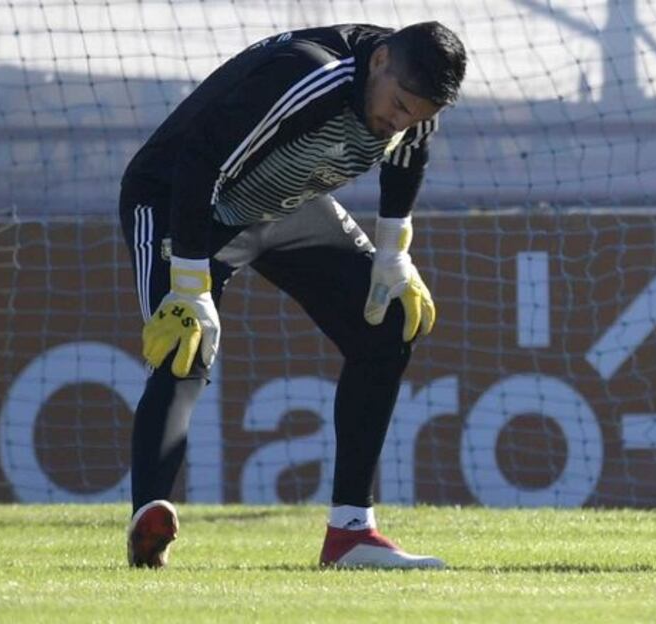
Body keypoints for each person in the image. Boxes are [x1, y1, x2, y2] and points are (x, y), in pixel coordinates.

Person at [119, 21, 466, 569]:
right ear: (378, 63)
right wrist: (189, 282)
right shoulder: (310, 74)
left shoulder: (414, 100)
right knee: (184, 344)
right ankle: (149, 523)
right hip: (179, 200)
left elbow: (407, 158)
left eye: (415, 115)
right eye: (398, 105)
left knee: (389, 320)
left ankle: (351, 533)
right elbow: (199, 159)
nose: (400, 122)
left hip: (279, 204)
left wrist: (393, 253)